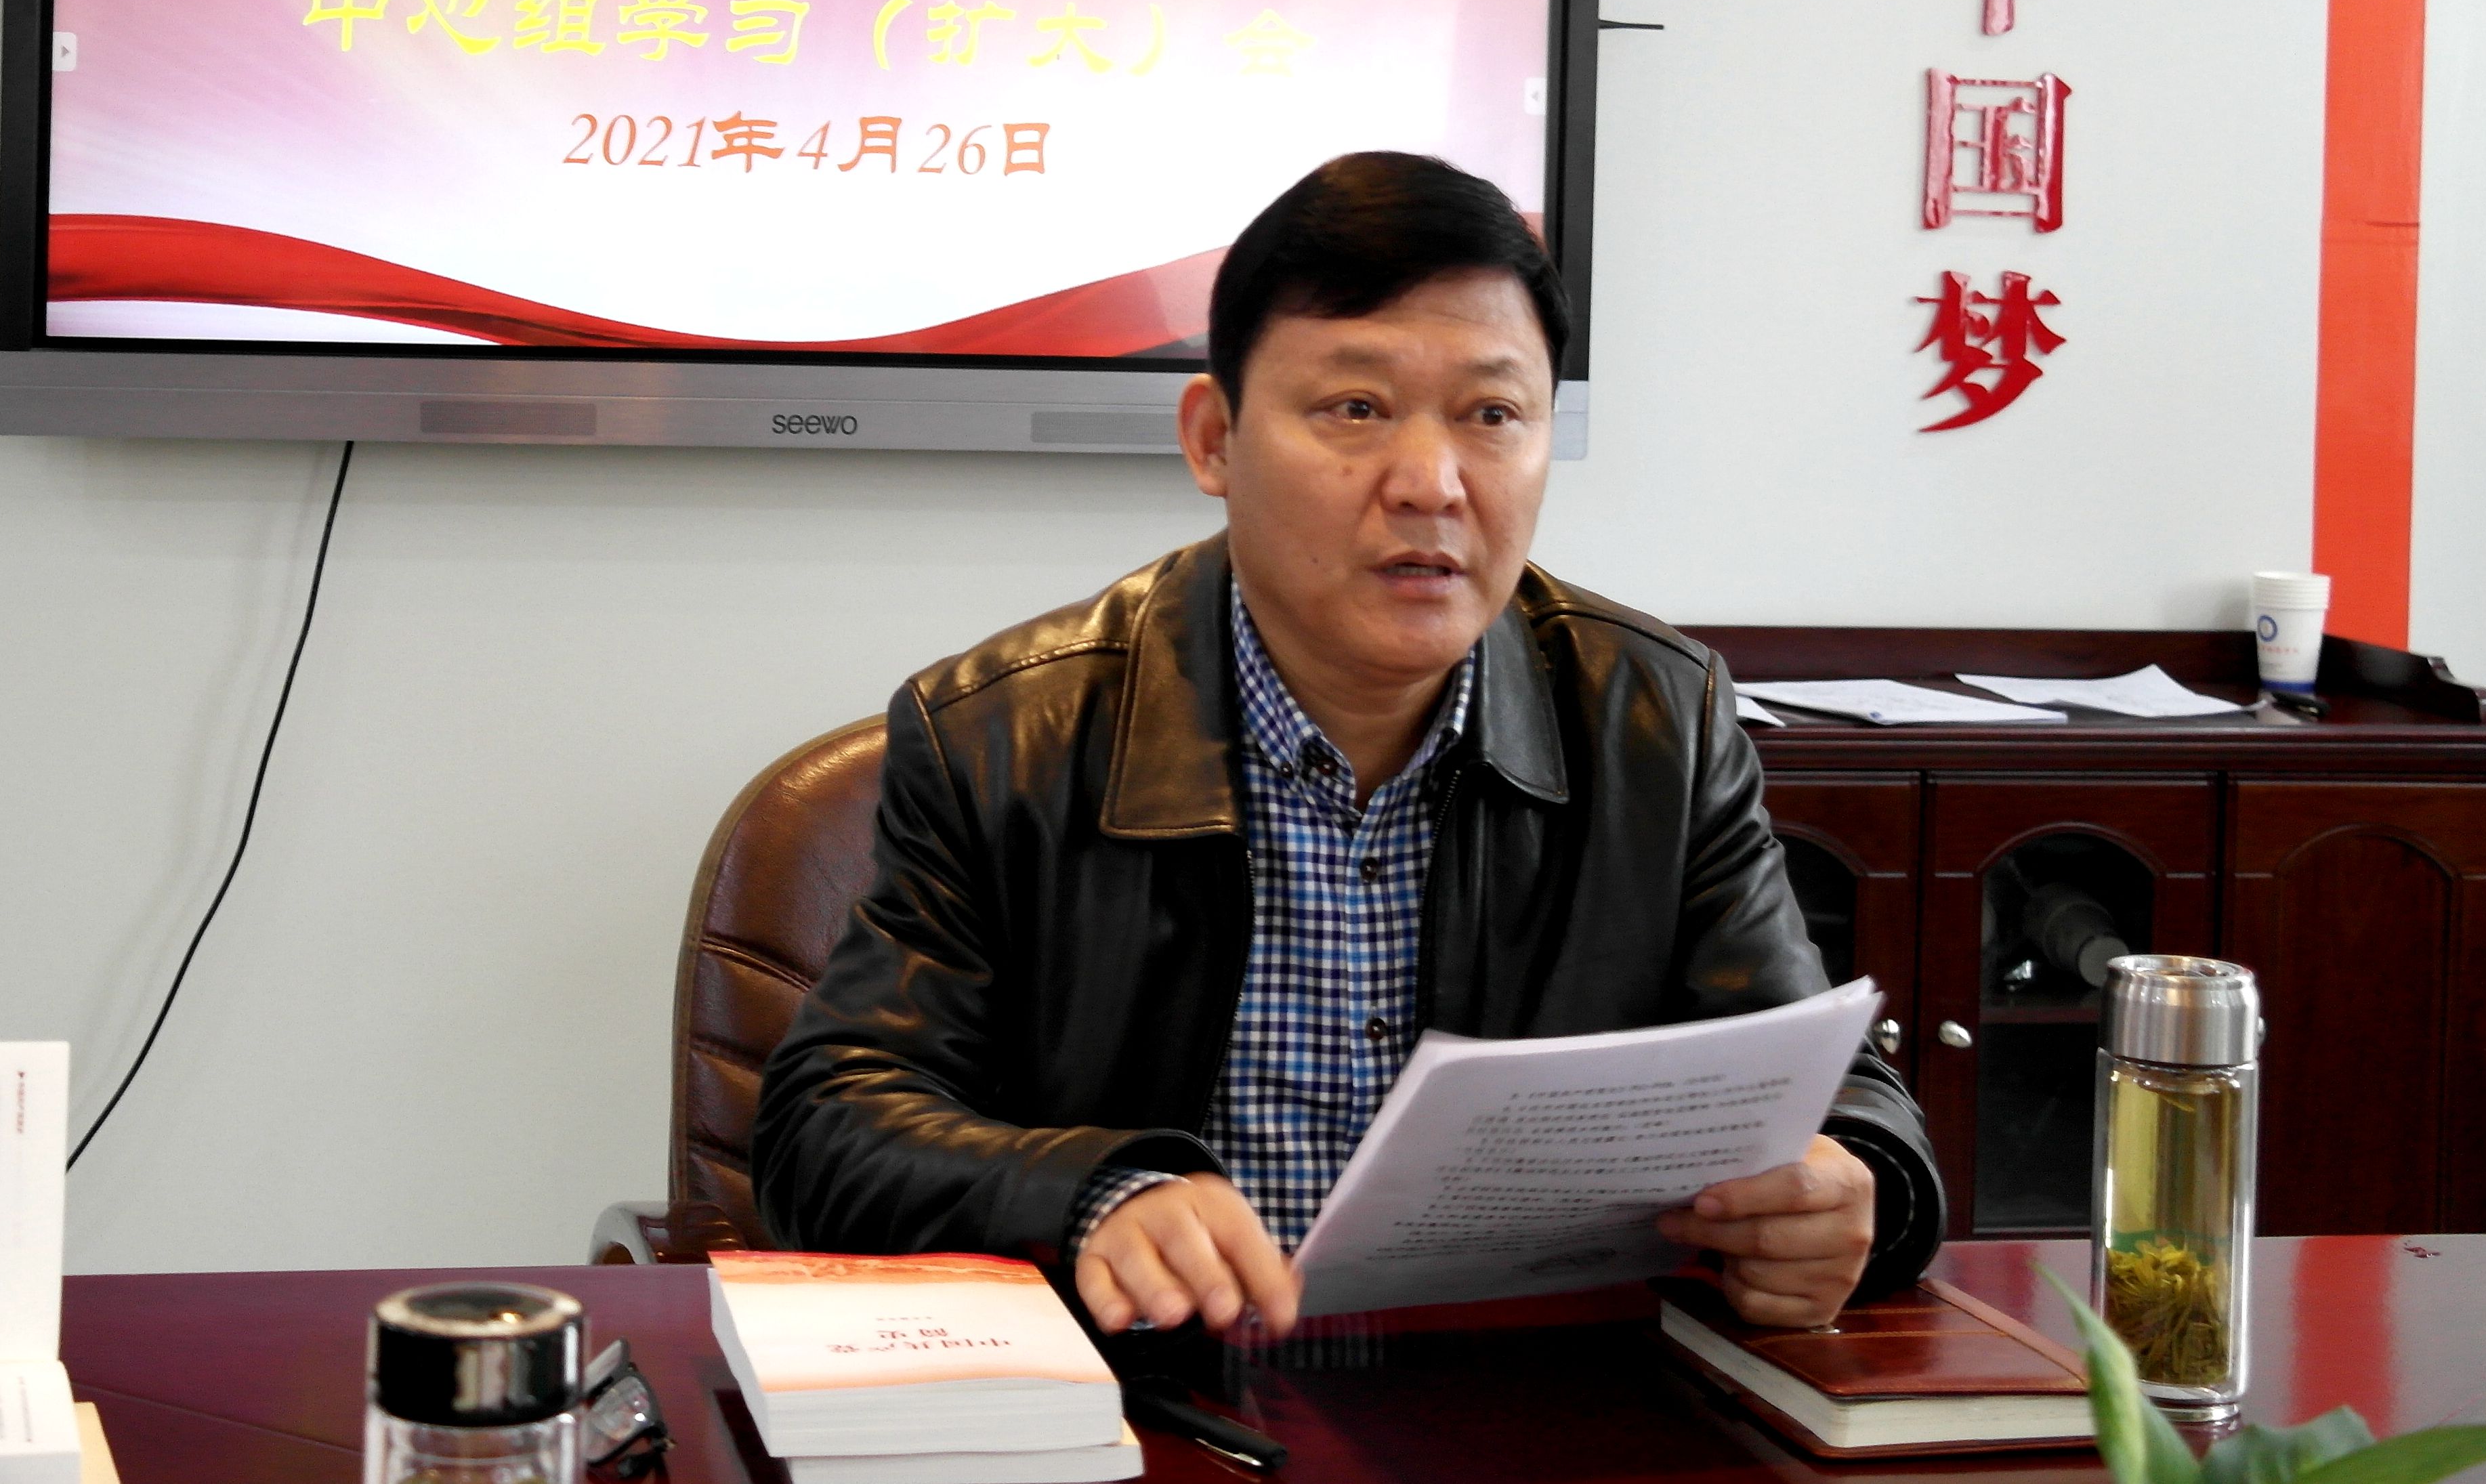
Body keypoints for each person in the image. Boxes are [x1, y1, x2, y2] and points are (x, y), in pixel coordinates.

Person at [751, 152, 1941, 1339]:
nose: (1430, 483)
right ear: (1214, 439)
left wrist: (1853, 1190)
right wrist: (1093, 1193)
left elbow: (1830, 1084)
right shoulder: (1002, 737)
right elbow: (830, 1124)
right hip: (1151, 1394)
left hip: (1524, 1390)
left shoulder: (1655, 722)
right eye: (1355, 408)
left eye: (1492, 414)